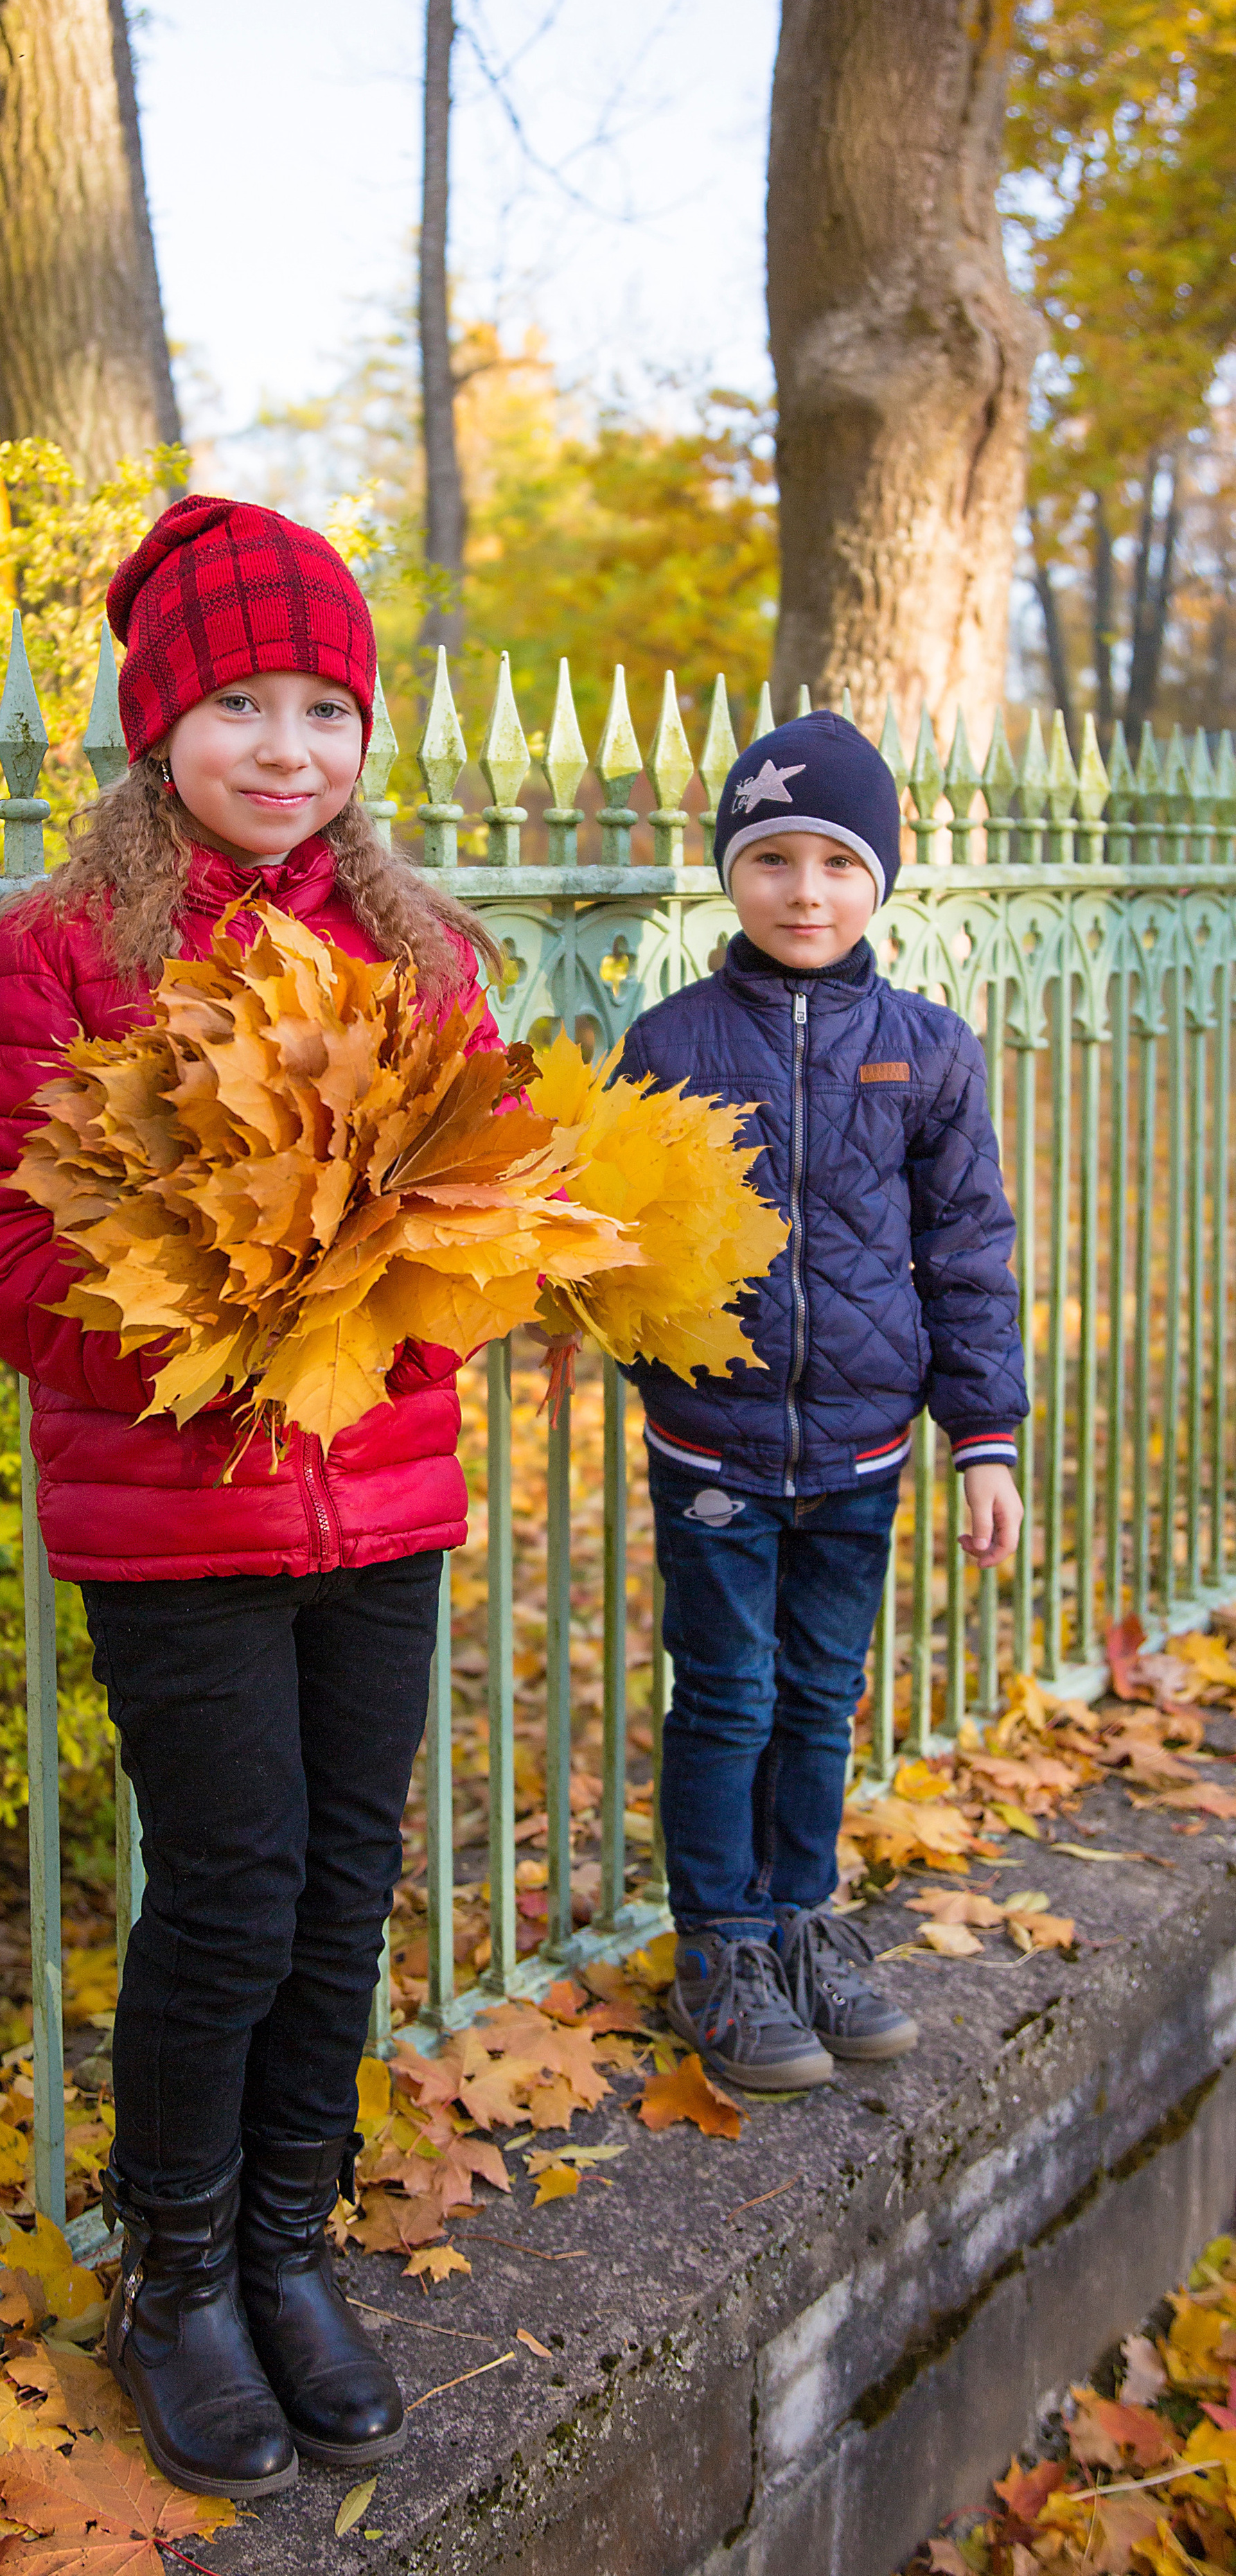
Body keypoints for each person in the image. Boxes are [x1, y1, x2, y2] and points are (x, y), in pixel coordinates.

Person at [0, 496, 501, 2503]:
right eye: (242, 702)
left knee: (345, 1889)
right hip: (179, 1524)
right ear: (161, 722)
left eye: (323, 707)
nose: (285, 746)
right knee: (234, 1892)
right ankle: (175, 2272)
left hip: (385, 1510)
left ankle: (287, 2244)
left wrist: (389, 1323)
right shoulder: (76, 950)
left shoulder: (426, 952)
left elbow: (486, 1218)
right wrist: (188, 1335)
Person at [617, 709, 1027, 2095]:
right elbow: (613, 1245)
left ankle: (795, 1915)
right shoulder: (667, 1040)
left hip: (859, 1445)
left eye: (837, 863)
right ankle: (718, 1944)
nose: (805, 891)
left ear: (880, 881)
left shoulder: (925, 1047)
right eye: (773, 858)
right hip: (713, 1446)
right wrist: (658, 1360)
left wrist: (983, 1442)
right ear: (728, 872)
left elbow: (966, 1249)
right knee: (725, 1695)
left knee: (819, 1693)